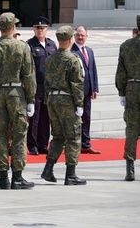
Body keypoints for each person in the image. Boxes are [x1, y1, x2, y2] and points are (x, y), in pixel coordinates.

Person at [0, 12, 36, 190]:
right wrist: (31, 98)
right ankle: (17, 176)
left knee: (0, 134)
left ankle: (3, 176)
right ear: (13, 28)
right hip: (17, 92)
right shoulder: (22, 47)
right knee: (19, 134)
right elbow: (28, 74)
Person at [41, 26, 86, 185]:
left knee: (58, 136)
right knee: (73, 136)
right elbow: (77, 84)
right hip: (67, 101)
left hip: (52, 100)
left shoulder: (50, 58)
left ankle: (48, 169)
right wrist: (79, 103)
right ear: (69, 40)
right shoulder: (72, 59)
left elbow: (46, 82)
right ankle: (71, 174)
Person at [26, 17, 57, 155]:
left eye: (43, 27)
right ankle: (32, 145)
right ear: (33, 29)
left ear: (47, 29)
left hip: (49, 86)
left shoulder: (51, 44)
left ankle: (43, 143)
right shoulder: (29, 45)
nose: (40, 30)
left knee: (46, 116)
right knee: (34, 117)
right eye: (37, 28)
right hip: (35, 85)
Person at [115, 14, 140, 181]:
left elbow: (121, 72)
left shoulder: (126, 45)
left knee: (131, 128)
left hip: (132, 87)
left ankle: (130, 168)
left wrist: (122, 92)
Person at [71, 26, 100, 154]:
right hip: (76, 92)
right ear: (74, 36)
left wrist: (95, 88)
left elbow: (93, 70)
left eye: (83, 35)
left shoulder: (89, 51)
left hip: (88, 91)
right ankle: (74, 144)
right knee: (75, 118)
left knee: (86, 117)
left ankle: (86, 144)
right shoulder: (71, 51)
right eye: (78, 35)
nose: (80, 37)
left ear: (86, 36)